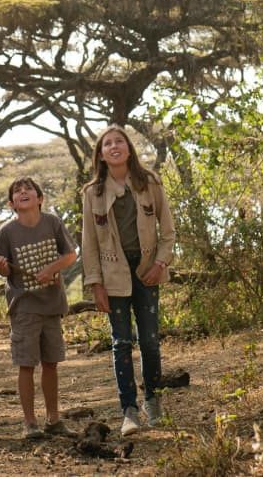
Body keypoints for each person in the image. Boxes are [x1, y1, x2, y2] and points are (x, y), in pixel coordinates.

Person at [80, 125, 177, 438]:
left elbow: (168, 230)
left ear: (128, 148)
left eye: (119, 141)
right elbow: (89, 243)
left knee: (149, 340)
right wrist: (95, 284)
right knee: (121, 343)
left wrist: (161, 263)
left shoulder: (149, 182)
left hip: (147, 270)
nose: (113, 146)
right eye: (107, 143)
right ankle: (129, 411)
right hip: (113, 276)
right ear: (101, 155)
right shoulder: (92, 192)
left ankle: (153, 401)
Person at [0, 177, 78, 440]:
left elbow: (71, 254)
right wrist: (2, 266)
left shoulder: (52, 222)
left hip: (52, 305)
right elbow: (2, 269)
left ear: (40, 199)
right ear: (12, 204)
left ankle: (54, 419)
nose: (23, 192)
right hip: (24, 307)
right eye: (17, 191)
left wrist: (50, 270)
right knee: (26, 364)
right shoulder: (6, 232)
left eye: (28, 189)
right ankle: (30, 423)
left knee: (51, 363)